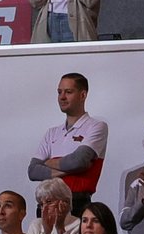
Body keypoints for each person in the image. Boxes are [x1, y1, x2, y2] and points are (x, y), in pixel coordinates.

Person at [28, 73, 110, 216]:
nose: (62, 97)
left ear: (83, 95)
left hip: (77, 202)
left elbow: (79, 161)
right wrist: (71, 169)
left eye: (68, 92)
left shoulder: (96, 126)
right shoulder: (52, 133)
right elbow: (33, 171)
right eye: (59, 92)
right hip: (47, 203)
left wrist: (48, 163)